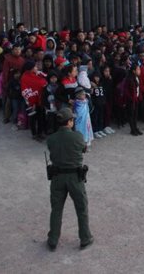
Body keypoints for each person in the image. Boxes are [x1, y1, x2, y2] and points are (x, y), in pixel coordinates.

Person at [46, 107, 94, 252]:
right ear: (70, 122)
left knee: (56, 209)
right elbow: (83, 148)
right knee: (81, 208)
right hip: (75, 177)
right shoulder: (78, 137)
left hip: (57, 178)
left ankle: (53, 239)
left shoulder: (51, 139)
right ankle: (85, 238)